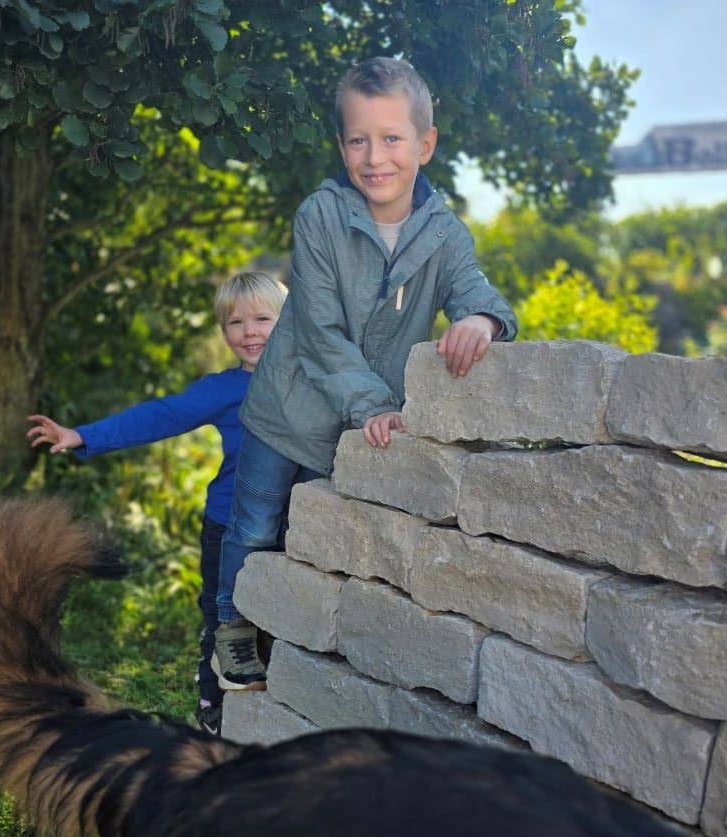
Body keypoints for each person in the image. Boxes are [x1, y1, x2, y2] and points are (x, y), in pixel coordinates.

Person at [213, 56, 517, 684]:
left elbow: (475, 289)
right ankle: (232, 625)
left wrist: (482, 320)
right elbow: (319, 332)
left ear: (425, 145)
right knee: (254, 524)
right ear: (341, 146)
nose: (375, 157)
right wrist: (376, 404)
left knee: (308, 534)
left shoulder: (444, 236)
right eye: (358, 140)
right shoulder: (320, 216)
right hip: (285, 410)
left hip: (345, 432)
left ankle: (285, 633)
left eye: (392, 138)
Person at [27, 271, 287, 736]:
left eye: (262, 319)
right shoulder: (223, 389)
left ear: (288, 321)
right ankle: (212, 711)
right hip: (228, 525)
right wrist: (83, 435)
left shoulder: (311, 379)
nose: (249, 332)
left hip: (291, 528)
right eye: (235, 323)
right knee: (223, 619)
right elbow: (160, 415)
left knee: (275, 624)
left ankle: (271, 716)